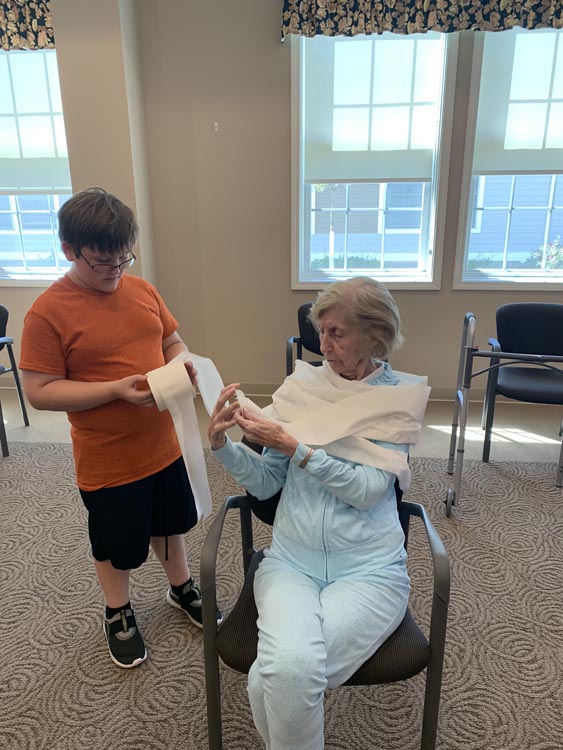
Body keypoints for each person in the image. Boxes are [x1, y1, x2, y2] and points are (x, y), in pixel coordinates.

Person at [208, 277, 430, 750]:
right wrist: (223, 447)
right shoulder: (301, 388)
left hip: (370, 571)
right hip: (292, 564)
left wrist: (300, 449)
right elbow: (267, 483)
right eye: (320, 332)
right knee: (287, 672)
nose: (322, 345)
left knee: (276, 675)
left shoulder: (397, 401)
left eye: (336, 333)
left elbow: (368, 492)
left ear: (375, 335)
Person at [20, 187, 214, 670]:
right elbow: (39, 391)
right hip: (108, 459)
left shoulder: (142, 289)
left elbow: (172, 341)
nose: (115, 271)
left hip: (163, 444)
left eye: (124, 259)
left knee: (169, 524)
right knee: (115, 544)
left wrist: (181, 364)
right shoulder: (47, 312)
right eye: (103, 262)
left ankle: (180, 587)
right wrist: (114, 390)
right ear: (69, 249)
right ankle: (118, 610)